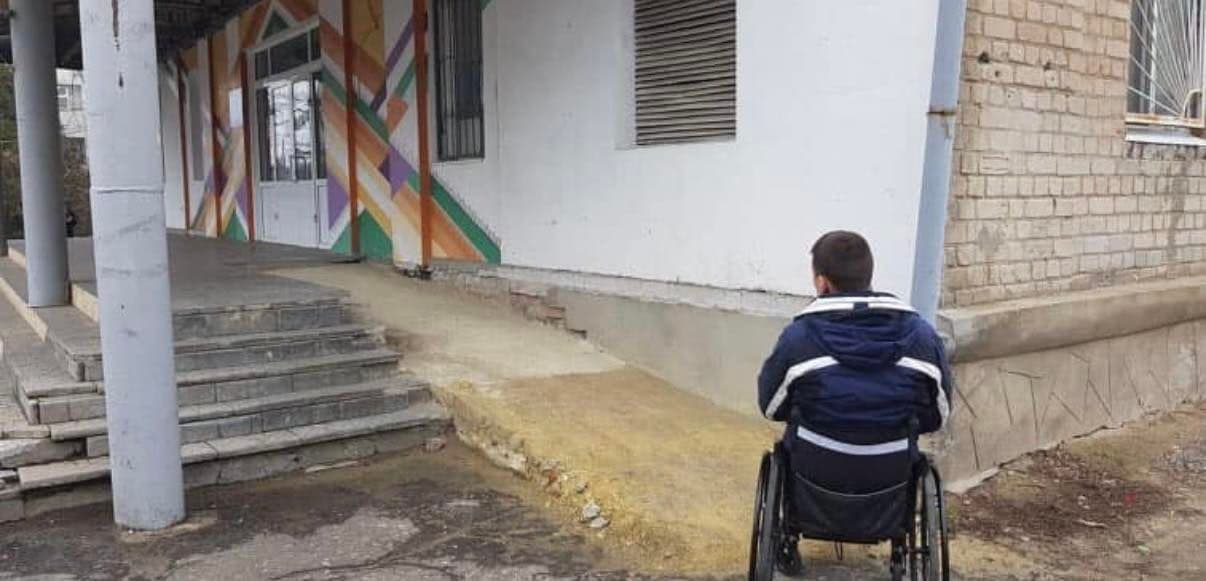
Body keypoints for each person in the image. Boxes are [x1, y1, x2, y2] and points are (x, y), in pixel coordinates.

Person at [757, 230, 953, 574]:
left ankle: (788, 538)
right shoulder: (921, 337)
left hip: (814, 474)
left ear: (822, 283)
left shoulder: (800, 338)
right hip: (889, 477)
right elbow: (938, 413)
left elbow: (772, 406)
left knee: (787, 446)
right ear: (868, 275)